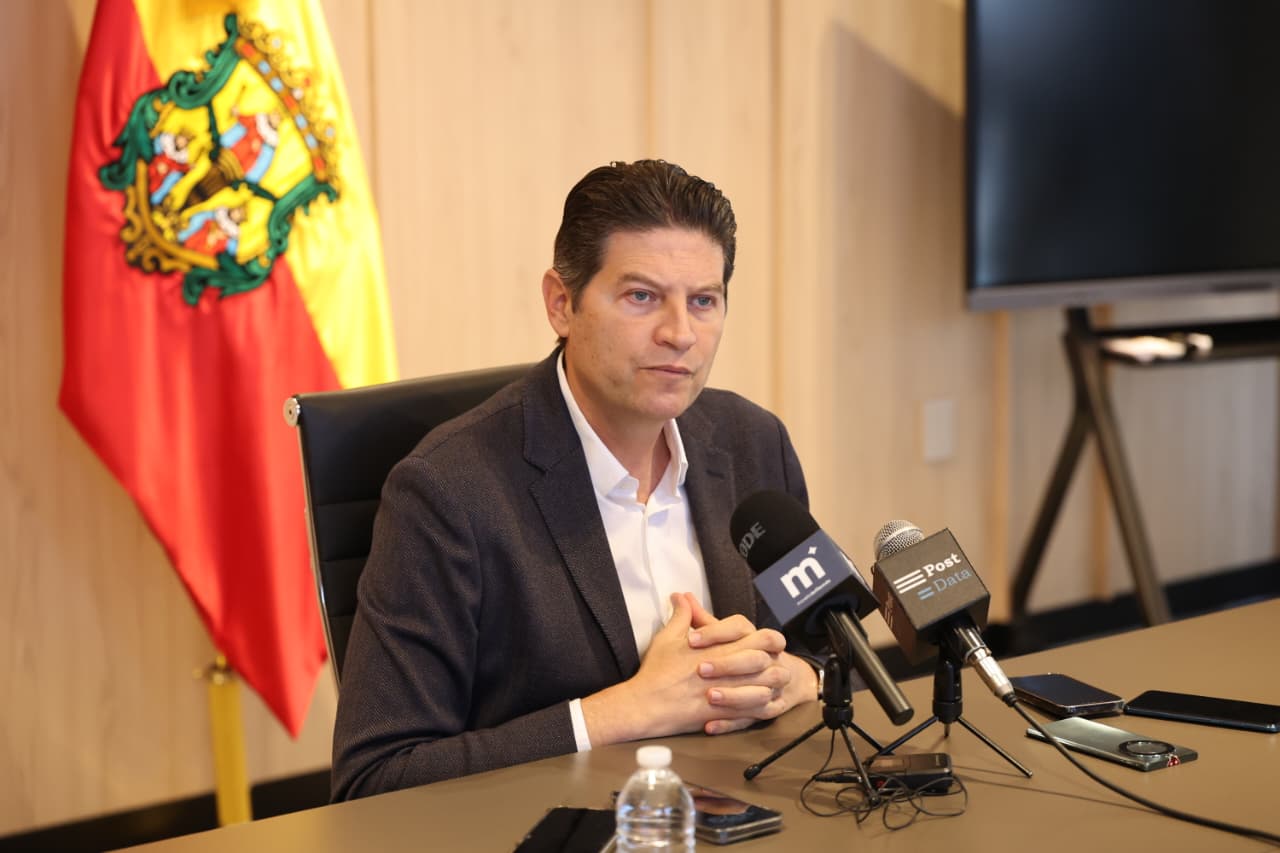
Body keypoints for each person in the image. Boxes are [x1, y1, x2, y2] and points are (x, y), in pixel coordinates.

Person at [331, 159, 819, 800]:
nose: (680, 334)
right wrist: (626, 711)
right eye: (641, 297)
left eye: (703, 301)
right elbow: (376, 777)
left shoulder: (753, 443)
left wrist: (795, 678)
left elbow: (829, 649)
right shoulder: (447, 491)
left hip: (740, 813)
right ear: (562, 305)